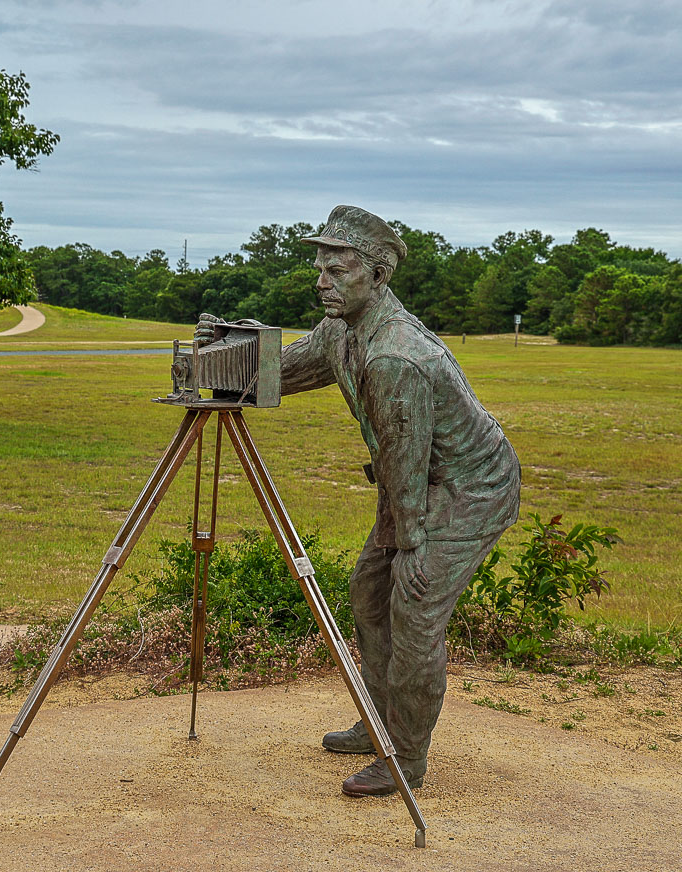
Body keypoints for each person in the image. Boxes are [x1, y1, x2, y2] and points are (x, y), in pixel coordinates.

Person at [197, 204, 520, 797]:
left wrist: (409, 541)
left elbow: (404, 463)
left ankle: (405, 758)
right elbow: (280, 373)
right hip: (412, 482)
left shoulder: (396, 356)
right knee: (369, 591)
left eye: (338, 269)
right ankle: (377, 724)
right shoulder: (341, 330)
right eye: (319, 267)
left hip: (466, 490)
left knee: (414, 605)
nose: (322, 280)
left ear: (377, 276)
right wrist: (227, 349)